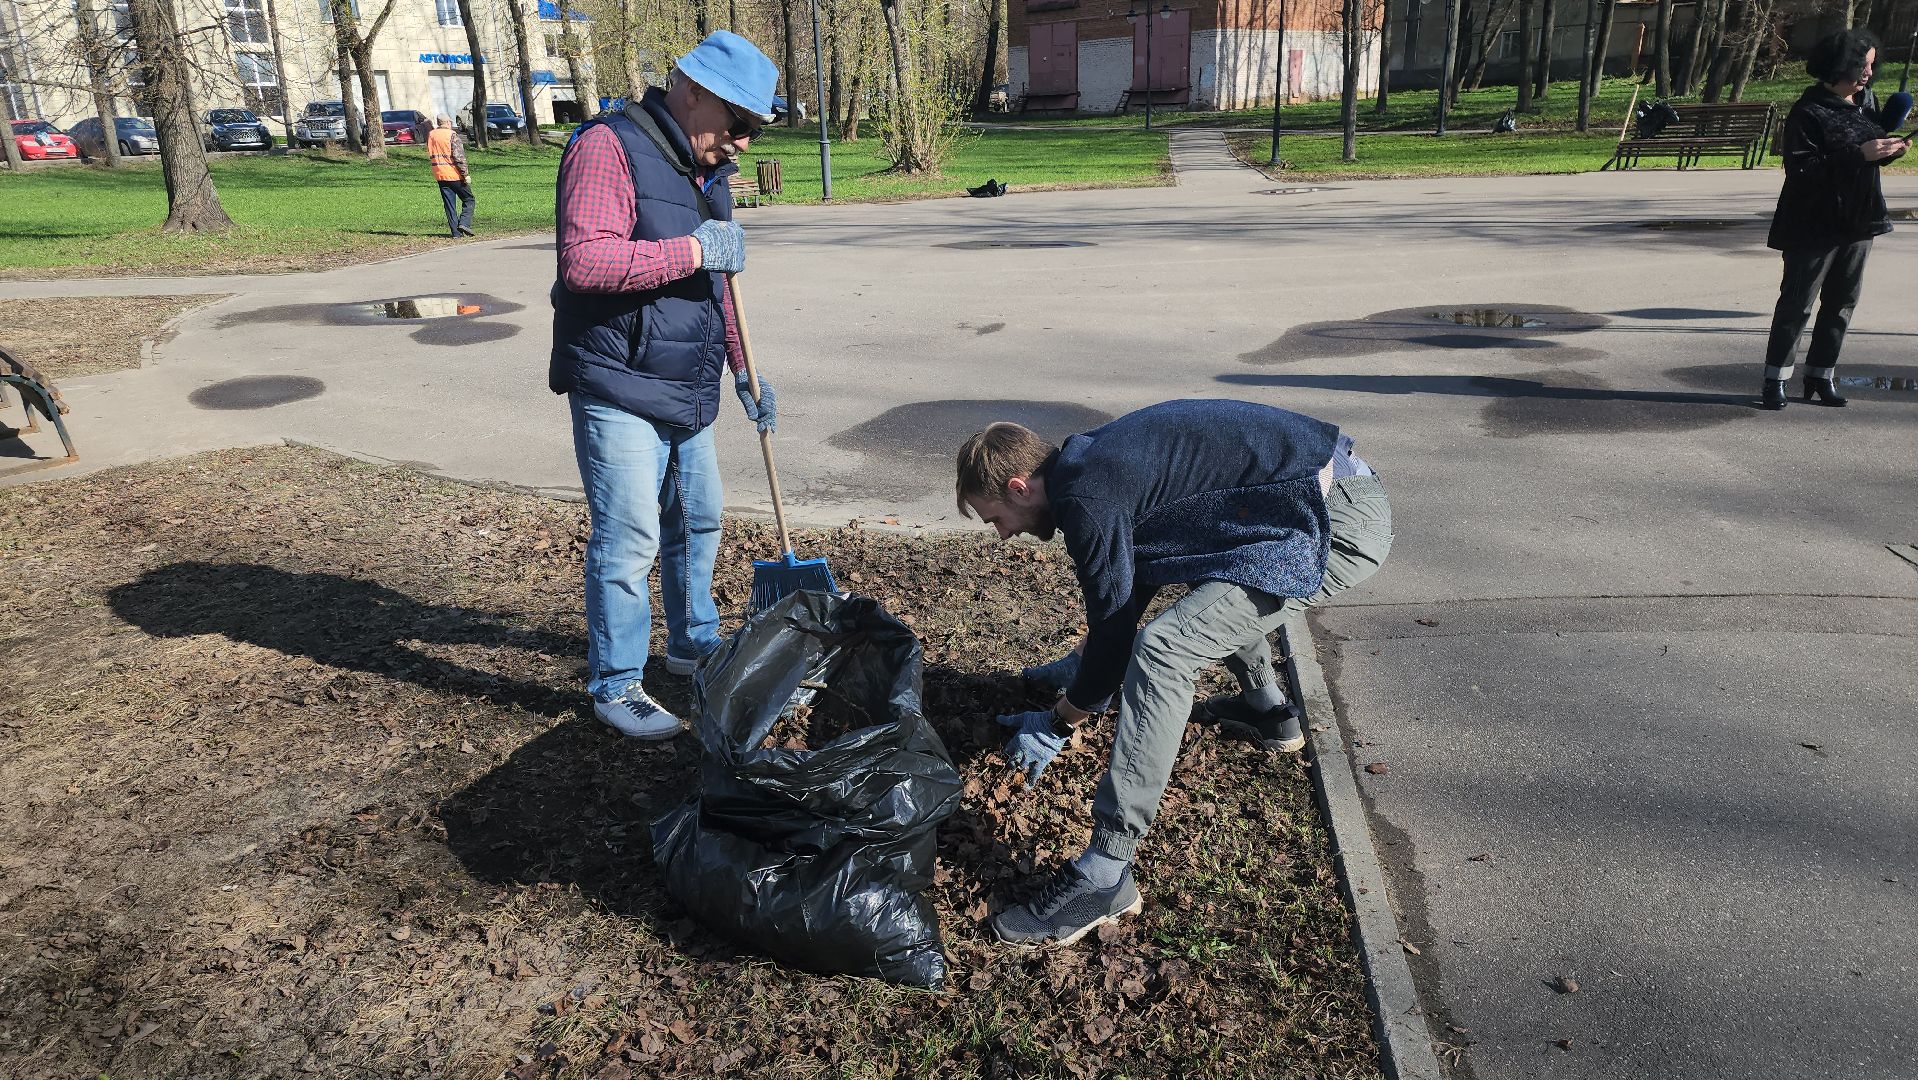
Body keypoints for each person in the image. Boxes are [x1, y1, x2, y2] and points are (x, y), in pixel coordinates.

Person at [954, 400, 1392, 946]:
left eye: (996, 518)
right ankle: (1267, 711)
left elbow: (1118, 633)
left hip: (1332, 520)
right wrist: (1083, 670)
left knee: (1165, 650)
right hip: (1311, 498)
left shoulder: (1089, 496)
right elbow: (1132, 580)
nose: (1002, 534)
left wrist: (1060, 720)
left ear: (1020, 487)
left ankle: (1105, 872)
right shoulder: (1088, 466)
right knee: (1201, 568)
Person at [549, 31, 779, 739]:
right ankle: (617, 685)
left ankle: (691, 646)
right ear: (695, 91)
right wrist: (691, 248)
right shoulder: (605, 147)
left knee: (699, 520)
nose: (741, 142)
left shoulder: (708, 179)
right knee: (629, 540)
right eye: (738, 123)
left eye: (753, 131)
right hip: (619, 379)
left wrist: (745, 372)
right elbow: (584, 263)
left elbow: (722, 291)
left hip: (687, 384)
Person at [1760, 29, 1906, 410]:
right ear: (1839, 66)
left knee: (1842, 303)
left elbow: (1867, 147)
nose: (1868, 74)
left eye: (1872, 65)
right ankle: (1776, 378)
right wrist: (1861, 154)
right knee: (1797, 304)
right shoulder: (1808, 112)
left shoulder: (1866, 101)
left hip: (1861, 220)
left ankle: (1821, 375)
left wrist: (1889, 150)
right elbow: (1802, 171)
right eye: (1862, 65)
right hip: (1812, 224)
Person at [427, 116, 476, 238]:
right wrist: (465, 174)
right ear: (448, 122)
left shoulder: (432, 135)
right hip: (454, 174)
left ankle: (455, 233)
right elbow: (459, 157)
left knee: (449, 205)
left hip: (439, 173)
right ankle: (464, 223)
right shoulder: (451, 135)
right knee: (469, 199)